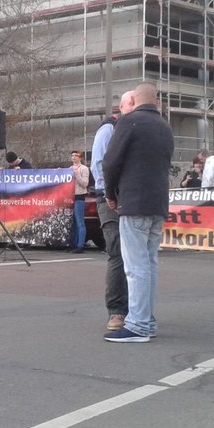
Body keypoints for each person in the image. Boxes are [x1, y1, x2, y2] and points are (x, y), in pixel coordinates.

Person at [102, 82, 174, 343]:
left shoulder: (128, 122)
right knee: (150, 264)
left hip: (134, 201)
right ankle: (147, 320)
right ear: (155, 101)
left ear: (135, 100)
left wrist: (111, 194)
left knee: (135, 267)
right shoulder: (165, 127)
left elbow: (110, 162)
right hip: (157, 203)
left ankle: (138, 324)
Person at [90, 91, 135, 332]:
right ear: (122, 106)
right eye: (132, 103)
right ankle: (117, 311)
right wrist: (108, 193)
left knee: (135, 256)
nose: (136, 107)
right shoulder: (109, 129)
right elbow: (98, 164)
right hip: (109, 198)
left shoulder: (136, 129)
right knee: (117, 251)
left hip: (131, 197)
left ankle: (136, 310)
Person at [67, 150, 90, 254]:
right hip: (70, 197)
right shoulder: (69, 168)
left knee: (80, 221)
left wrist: (77, 175)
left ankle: (80, 245)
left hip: (79, 196)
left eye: (76, 156)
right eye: (72, 156)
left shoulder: (84, 169)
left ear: (80, 158)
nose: (74, 157)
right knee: (72, 222)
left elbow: (85, 184)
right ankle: (73, 244)